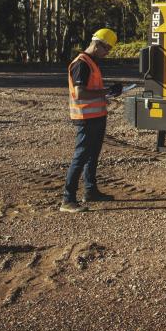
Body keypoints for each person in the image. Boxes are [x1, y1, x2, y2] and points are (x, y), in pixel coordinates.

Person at [62, 28, 122, 212]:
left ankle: (90, 191)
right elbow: (80, 94)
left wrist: (109, 91)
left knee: (92, 156)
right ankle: (68, 199)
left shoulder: (92, 63)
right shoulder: (81, 64)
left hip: (96, 117)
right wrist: (106, 91)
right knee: (80, 157)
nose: (107, 53)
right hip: (86, 118)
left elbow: (93, 89)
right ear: (98, 45)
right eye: (107, 49)